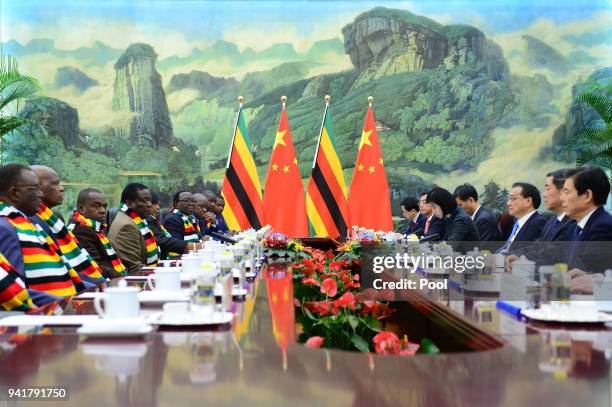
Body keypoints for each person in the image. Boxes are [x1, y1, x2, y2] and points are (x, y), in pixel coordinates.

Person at [0, 163, 84, 304]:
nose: (41, 194)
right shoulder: (5, 228)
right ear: (15, 193)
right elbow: (16, 289)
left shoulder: (27, 222)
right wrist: (64, 306)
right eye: (35, 189)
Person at [28, 165, 105, 285]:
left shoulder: (53, 218)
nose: (62, 188)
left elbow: (66, 267)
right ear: (36, 188)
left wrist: (101, 283)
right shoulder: (31, 223)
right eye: (55, 184)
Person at [506, 169, 576, 270]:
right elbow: (537, 247)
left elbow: (554, 259)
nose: (544, 194)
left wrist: (521, 263)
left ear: (563, 191)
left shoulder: (572, 223)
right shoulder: (552, 220)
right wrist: (515, 255)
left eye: (548, 189)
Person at [560, 167, 612, 294]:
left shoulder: (602, 226)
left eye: (566, 192)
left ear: (587, 196)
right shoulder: (575, 225)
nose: (562, 198)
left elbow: (587, 275)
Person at [67, 188, 127, 279]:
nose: (103, 211)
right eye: (96, 206)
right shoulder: (80, 230)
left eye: (104, 206)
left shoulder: (95, 227)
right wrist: (125, 279)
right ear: (81, 208)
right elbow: (96, 266)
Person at [109, 183, 158, 273]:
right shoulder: (127, 226)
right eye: (144, 200)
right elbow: (135, 268)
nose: (150, 204)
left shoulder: (136, 219)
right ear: (129, 203)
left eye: (150, 200)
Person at [496, 182, 547, 254]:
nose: (508, 203)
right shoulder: (515, 222)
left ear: (528, 201)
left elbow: (528, 253)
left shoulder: (538, 223)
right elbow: (506, 247)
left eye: (512, 198)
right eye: (509, 199)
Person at [147, 191, 199, 259]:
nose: (191, 203)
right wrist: (191, 246)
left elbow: (198, 236)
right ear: (175, 204)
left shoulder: (191, 218)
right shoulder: (172, 219)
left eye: (193, 201)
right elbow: (164, 241)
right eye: (186, 200)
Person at [426, 187, 480, 252]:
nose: (433, 211)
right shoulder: (450, 215)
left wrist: (433, 248)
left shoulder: (461, 219)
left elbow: (450, 245)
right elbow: (445, 240)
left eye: (434, 207)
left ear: (443, 204)